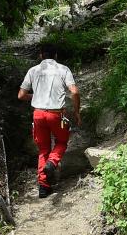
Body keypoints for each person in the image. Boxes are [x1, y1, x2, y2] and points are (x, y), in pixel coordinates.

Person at [17, 46, 80, 197]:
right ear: (56, 55)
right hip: (56, 114)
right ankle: (52, 162)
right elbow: (75, 92)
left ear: (40, 56)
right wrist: (77, 112)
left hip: (38, 114)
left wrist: (35, 96)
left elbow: (20, 95)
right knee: (62, 142)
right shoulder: (63, 69)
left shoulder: (33, 70)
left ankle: (43, 188)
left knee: (43, 149)